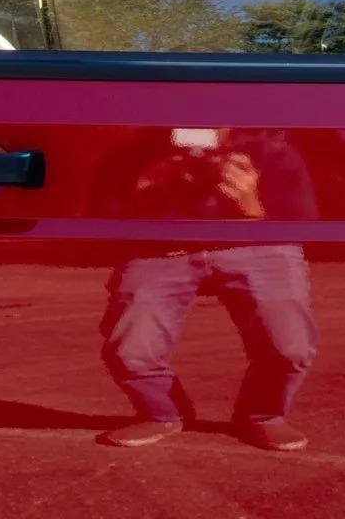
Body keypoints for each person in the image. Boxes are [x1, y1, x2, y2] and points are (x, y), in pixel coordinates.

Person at [93, 128, 320, 451]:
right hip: (161, 247)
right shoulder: (132, 155)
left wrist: (251, 205)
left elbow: (304, 221)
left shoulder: (271, 152)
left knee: (289, 344)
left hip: (257, 243)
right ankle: (161, 412)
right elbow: (101, 223)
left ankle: (264, 415)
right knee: (132, 348)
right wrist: (143, 197)